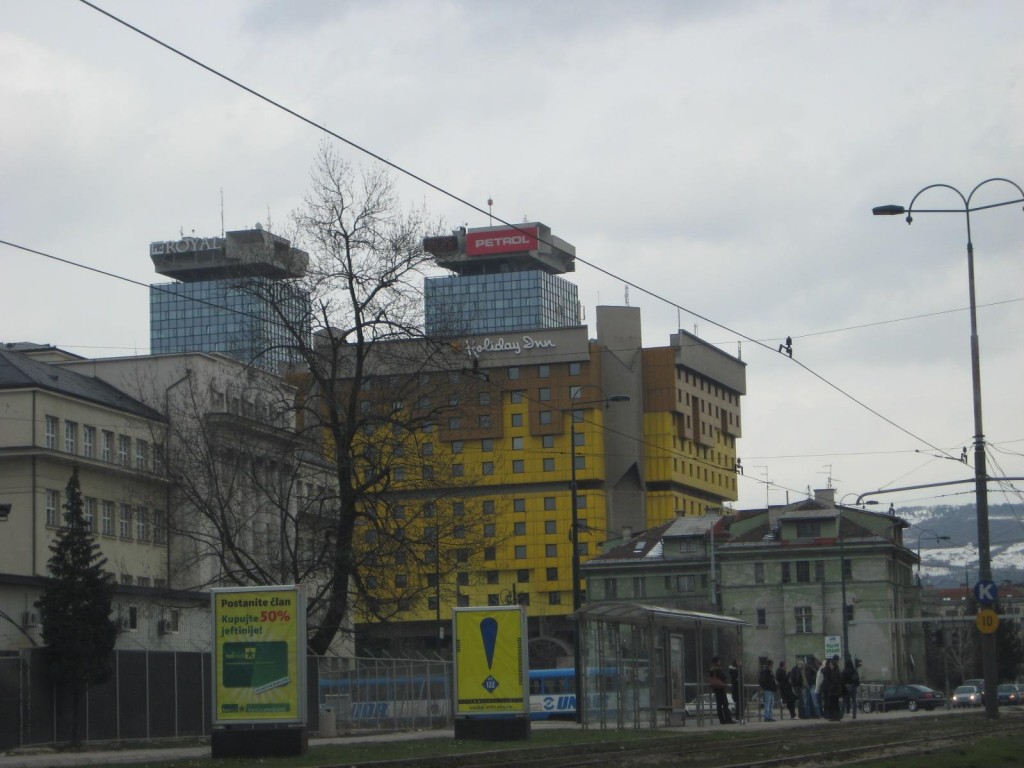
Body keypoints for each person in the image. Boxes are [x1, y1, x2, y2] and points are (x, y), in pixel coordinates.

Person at [708, 655, 735, 724]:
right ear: (717, 662)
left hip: (715, 688)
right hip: (720, 688)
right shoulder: (718, 670)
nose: (720, 662)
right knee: (725, 704)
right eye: (719, 660)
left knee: (719, 705)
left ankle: (722, 719)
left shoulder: (711, 670)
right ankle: (728, 719)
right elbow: (724, 677)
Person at [821, 655, 843, 721]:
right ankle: (834, 716)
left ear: (834, 665)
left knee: (834, 704)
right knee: (833, 704)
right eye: (830, 664)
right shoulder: (834, 672)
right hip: (834, 691)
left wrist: (829, 688)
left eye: (831, 665)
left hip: (834, 691)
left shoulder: (836, 672)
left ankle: (835, 716)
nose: (830, 666)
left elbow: (835, 682)